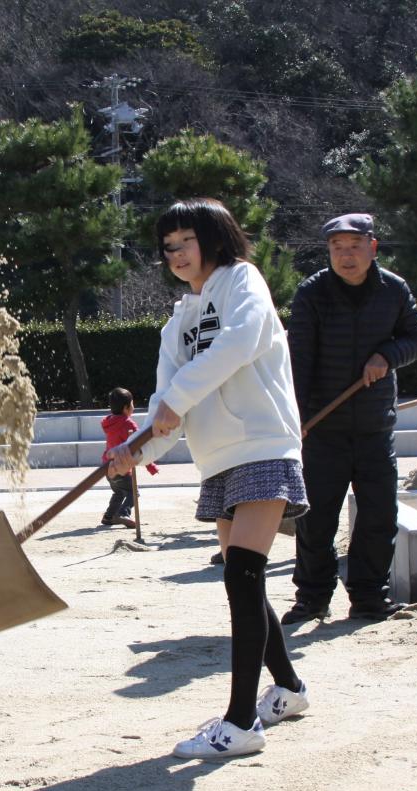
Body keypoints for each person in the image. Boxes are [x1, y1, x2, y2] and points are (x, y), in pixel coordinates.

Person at [108, 198, 310, 760]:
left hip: (264, 444)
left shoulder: (243, 282)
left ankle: (242, 721)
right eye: (167, 247)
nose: (175, 254)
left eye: (185, 241)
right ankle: (289, 690)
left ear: (215, 237)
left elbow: (239, 344)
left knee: (242, 575)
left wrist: (173, 401)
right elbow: (165, 407)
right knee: (242, 580)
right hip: (219, 459)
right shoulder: (178, 322)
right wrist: (136, 445)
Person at [284, 213, 417, 625]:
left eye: (354, 247)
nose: (346, 257)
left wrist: (387, 356)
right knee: (315, 519)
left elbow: (415, 338)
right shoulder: (312, 293)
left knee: (379, 515)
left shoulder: (394, 290)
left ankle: (369, 597)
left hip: (374, 425)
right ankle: (312, 599)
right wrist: (299, 420)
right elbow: (299, 361)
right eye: (337, 249)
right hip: (322, 430)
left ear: (372, 247)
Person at [100, 386, 158, 529]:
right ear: (126, 408)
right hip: (122, 467)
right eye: (132, 404)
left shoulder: (109, 422)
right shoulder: (127, 423)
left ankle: (109, 516)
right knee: (133, 492)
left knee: (119, 492)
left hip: (108, 467)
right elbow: (140, 445)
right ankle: (123, 513)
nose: (133, 407)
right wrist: (151, 466)